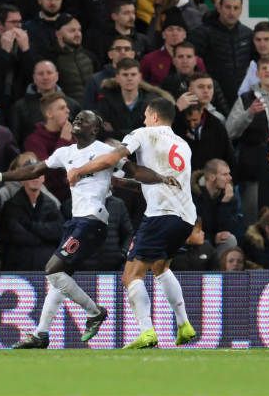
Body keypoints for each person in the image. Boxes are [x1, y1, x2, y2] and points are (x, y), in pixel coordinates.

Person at [0, 110, 179, 349]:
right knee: (60, 278)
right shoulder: (64, 152)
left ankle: (95, 312)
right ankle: (41, 333)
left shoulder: (105, 152)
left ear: (95, 129)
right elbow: (35, 169)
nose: (78, 120)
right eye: (76, 117)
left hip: (92, 221)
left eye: (85, 118)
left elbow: (134, 171)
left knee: (52, 270)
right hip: (76, 222)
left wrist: (161, 178)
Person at [66, 98, 197, 349]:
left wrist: (79, 170)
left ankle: (147, 332)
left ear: (154, 117)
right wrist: (123, 183)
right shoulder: (183, 145)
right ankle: (184, 325)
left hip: (160, 215)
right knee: (161, 267)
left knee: (130, 276)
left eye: (146, 116)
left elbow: (112, 157)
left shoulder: (142, 133)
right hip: (185, 218)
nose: (145, 120)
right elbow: (159, 182)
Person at [228, 55, 269, 224]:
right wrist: (248, 113)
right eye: (264, 68)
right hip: (253, 167)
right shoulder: (246, 98)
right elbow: (230, 131)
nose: (268, 71)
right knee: (253, 217)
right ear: (257, 74)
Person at [0, 156, 64, 271]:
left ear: (43, 178)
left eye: (39, 174)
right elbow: (17, 237)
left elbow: (58, 233)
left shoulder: (52, 205)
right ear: (22, 179)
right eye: (31, 175)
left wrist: (31, 225)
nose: (35, 178)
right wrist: (44, 238)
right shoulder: (11, 206)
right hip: (18, 270)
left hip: (46, 270)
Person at [189, 0, 253, 100]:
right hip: (211, 97)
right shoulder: (202, 33)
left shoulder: (248, 34)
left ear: (241, 10)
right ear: (219, 7)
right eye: (228, 7)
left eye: (236, 8)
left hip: (241, 99)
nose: (232, 12)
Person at [96, 57, 172, 141]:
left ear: (139, 77)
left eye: (133, 74)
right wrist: (140, 132)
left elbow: (153, 134)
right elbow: (102, 132)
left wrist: (116, 132)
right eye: (125, 75)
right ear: (117, 78)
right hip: (115, 149)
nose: (129, 78)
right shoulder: (106, 99)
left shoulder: (152, 102)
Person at [23, 91, 75, 203]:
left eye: (66, 107)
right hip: (53, 199)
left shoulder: (73, 135)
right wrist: (64, 141)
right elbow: (47, 173)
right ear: (49, 114)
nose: (68, 111)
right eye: (62, 108)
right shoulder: (34, 141)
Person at [192, 159, 242, 256]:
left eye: (229, 174)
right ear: (212, 177)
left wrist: (225, 203)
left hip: (217, 244)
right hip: (198, 244)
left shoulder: (229, 196)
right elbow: (192, 230)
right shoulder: (194, 197)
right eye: (225, 174)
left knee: (230, 239)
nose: (230, 178)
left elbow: (229, 229)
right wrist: (212, 238)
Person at [52, 13, 98, 107]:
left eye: (79, 30)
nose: (78, 34)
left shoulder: (90, 56)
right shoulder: (53, 59)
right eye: (72, 31)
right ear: (58, 34)